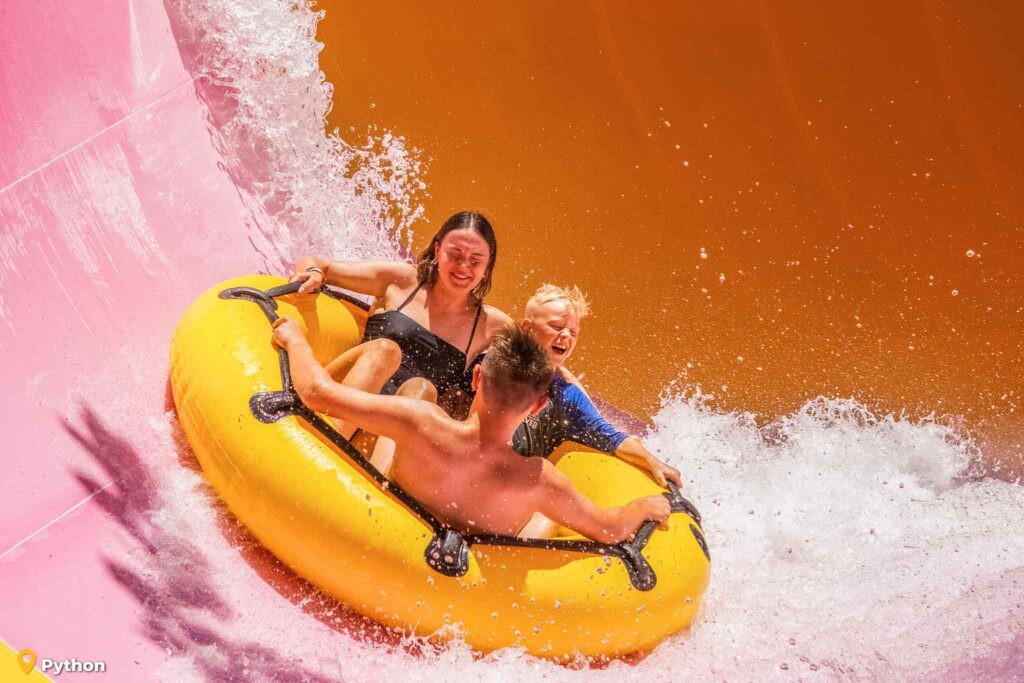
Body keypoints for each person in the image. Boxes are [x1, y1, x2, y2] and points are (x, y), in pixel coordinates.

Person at [271, 318, 671, 542]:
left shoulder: (420, 421)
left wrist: (295, 339)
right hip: (466, 566)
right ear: (537, 406)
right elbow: (610, 529)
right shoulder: (538, 478)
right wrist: (644, 506)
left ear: (477, 377)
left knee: (417, 389)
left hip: (388, 520)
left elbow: (316, 392)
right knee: (545, 518)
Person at [289, 211, 513, 440]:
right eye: (454, 254)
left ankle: (368, 461)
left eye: (475, 260)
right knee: (385, 351)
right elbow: (320, 265)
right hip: (341, 401)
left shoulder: (490, 324)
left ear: (487, 265)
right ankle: (328, 440)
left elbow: (532, 355)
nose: (463, 266)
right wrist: (313, 273)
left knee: (421, 391)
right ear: (438, 250)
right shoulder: (401, 280)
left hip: (389, 436)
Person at [515, 284, 682, 488]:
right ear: (527, 328)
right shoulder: (495, 362)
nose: (566, 335)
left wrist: (652, 461)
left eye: (573, 332)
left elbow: (608, 435)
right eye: (557, 327)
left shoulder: (564, 393)